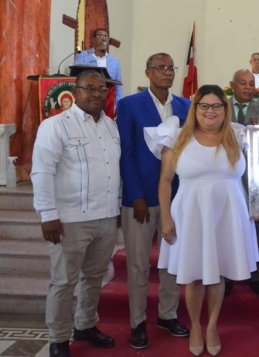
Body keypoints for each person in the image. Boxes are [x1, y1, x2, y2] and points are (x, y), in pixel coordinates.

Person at [145, 85, 259, 356]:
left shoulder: (238, 136)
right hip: (190, 214)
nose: (210, 111)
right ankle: (196, 326)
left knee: (216, 274)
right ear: (195, 109)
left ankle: (212, 326)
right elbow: (164, 181)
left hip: (228, 214)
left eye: (216, 106)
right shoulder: (177, 138)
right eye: (204, 106)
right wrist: (166, 219)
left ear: (224, 109)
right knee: (195, 276)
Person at [31, 70, 120, 357]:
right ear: (76, 90)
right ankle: (58, 338)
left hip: (106, 217)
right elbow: (42, 171)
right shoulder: (55, 126)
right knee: (63, 281)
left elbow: (113, 170)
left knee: (94, 277)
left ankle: (85, 325)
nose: (96, 93)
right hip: (69, 220)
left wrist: (116, 209)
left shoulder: (112, 127)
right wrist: (48, 214)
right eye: (89, 88)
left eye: (101, 89)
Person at [116, 53, 191, 349]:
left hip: (176, 198)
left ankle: (167, 314)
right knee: (138, 264)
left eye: (170, 68)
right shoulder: (130, 105)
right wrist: (136, 195)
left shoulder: (186, 106)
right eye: (161, 68)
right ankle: (137, 322)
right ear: (148, 73)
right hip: (141, 198)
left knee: (172, 261)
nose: (167, 72)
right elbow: (127, 152)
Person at [225, 69, 259, 297]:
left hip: (255, 177)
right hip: (224, 177)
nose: (247, 88)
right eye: (243, 83)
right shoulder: (218, 107)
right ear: (232, 85)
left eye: (251, 84)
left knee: (258, 230)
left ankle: (258, 275)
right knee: (226, 227)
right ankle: (225, 276)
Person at [74, 28, 123, 103]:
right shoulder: (82, 55)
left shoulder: (115, 61)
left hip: (107, 99)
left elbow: (118, 86)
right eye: (100, 36)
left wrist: (118, 104)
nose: (104, 39)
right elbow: (75, 72)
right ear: (93, 40)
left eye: (106, 37)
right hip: (87, 98)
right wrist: (95, 55)